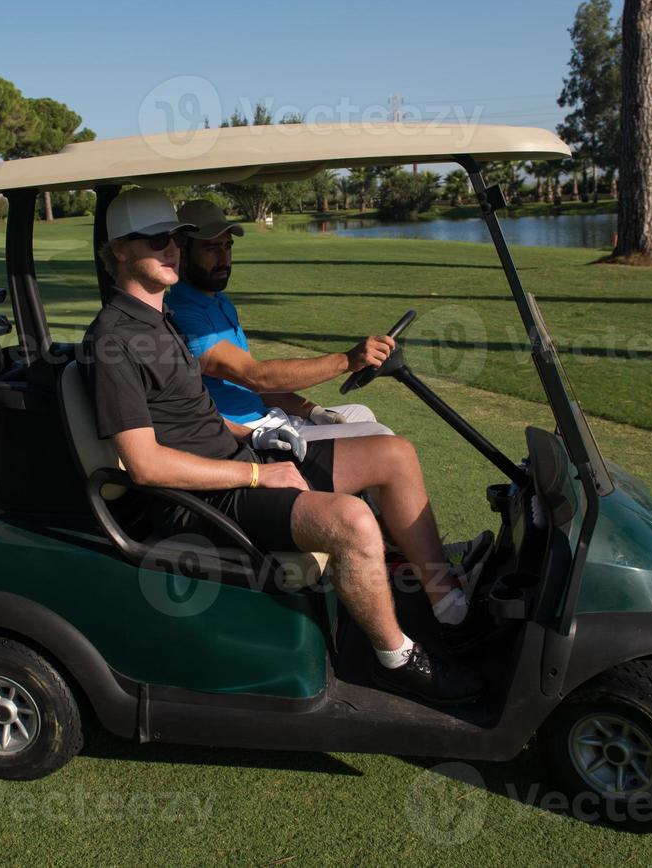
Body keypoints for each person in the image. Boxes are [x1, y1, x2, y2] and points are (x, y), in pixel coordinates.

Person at [81, 189, 481, 704]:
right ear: (118, 249)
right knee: (353, 521)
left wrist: (257, 434)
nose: (171, 249)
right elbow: (146, 463)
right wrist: (256, 474)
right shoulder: (113, 339)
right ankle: (396, 660)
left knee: (393, 454)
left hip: (237, 463)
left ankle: (444, 605)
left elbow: (189, 418)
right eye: (156, 240)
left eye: (175, 239)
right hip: (200, 501)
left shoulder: (160, 320)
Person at [165, 199, 394, 443]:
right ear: (182, 252)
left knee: (362, 414)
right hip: (250, 435)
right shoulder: (184, 314)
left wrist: (312, 410)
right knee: (382, 439)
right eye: (211, 248)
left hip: (271, 417)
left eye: (227, 246)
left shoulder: (220, 302)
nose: (223, 258)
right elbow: (256, 377)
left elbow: (257, 388)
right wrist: (347, 361)